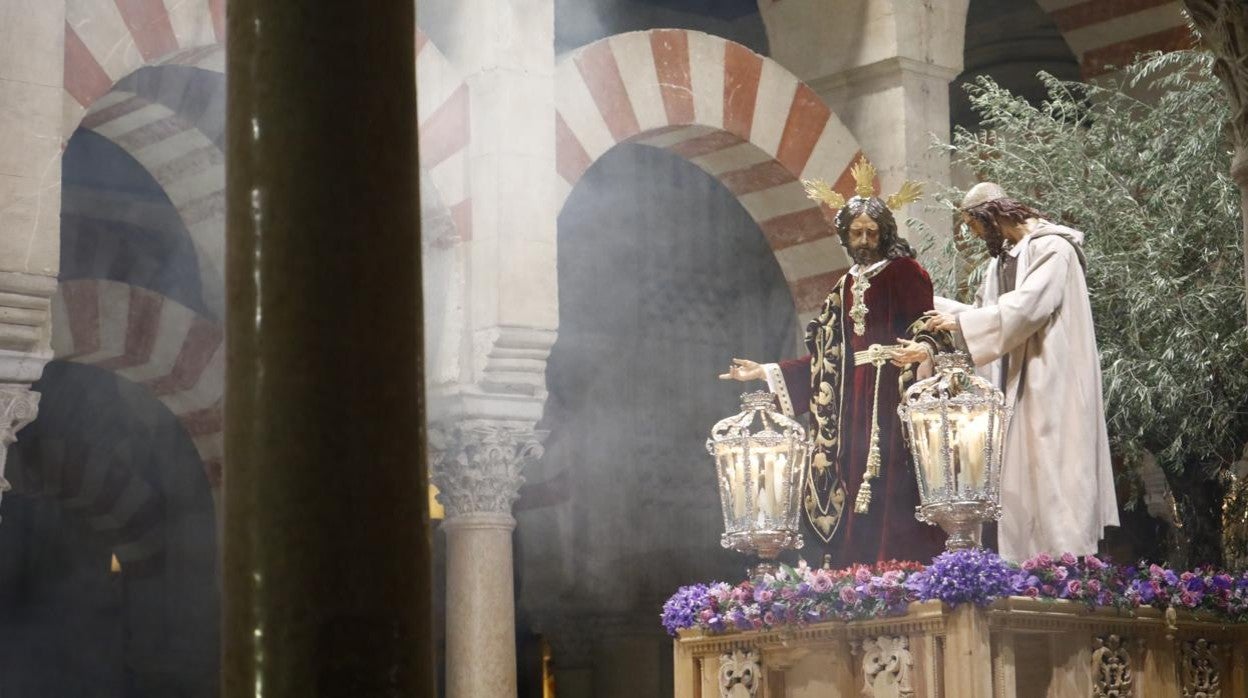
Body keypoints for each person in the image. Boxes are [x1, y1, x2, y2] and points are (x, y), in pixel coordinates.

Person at [721, 160, 944, 565]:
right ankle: (855, 569)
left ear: (884, 233)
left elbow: (928, 323)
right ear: (845, 235)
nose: (863, 239)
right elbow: (825, 357)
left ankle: (899, 563)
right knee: (849, 472)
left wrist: (924, 348)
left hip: (890, 387)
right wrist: (767, 371)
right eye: (855, 232)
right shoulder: (842, 287)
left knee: (892, 473)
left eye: (871, 232)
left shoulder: (904, 272)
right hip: (847, 401)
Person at [924, 182, 1118, 561]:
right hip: (1015, 381)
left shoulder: (1054, 248)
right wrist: (928, 303)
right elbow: (984, 312)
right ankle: (1028, 566)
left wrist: (960, 324)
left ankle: (1064, 564)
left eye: (975, 226)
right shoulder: (1001, 263)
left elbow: (1030, 308)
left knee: (1054, 465)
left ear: (992, 216)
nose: (976, 236)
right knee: (1023, 471)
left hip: (1051, 376)